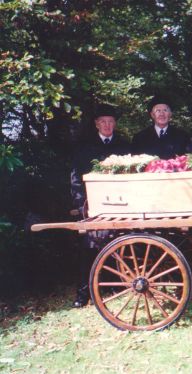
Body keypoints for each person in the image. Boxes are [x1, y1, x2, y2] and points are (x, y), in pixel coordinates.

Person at [70, 103, 130, 307]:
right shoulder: (84, 146)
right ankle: (83, 293)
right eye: (103, 121)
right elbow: (76, 178)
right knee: (88, 248)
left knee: (118, 244)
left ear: (115, 124)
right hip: (92, 206)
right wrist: (82, 207)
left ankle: (114, 285)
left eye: (110, 121)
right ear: (96, 124)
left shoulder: (124, 146)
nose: (107, 125)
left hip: (121, 204)